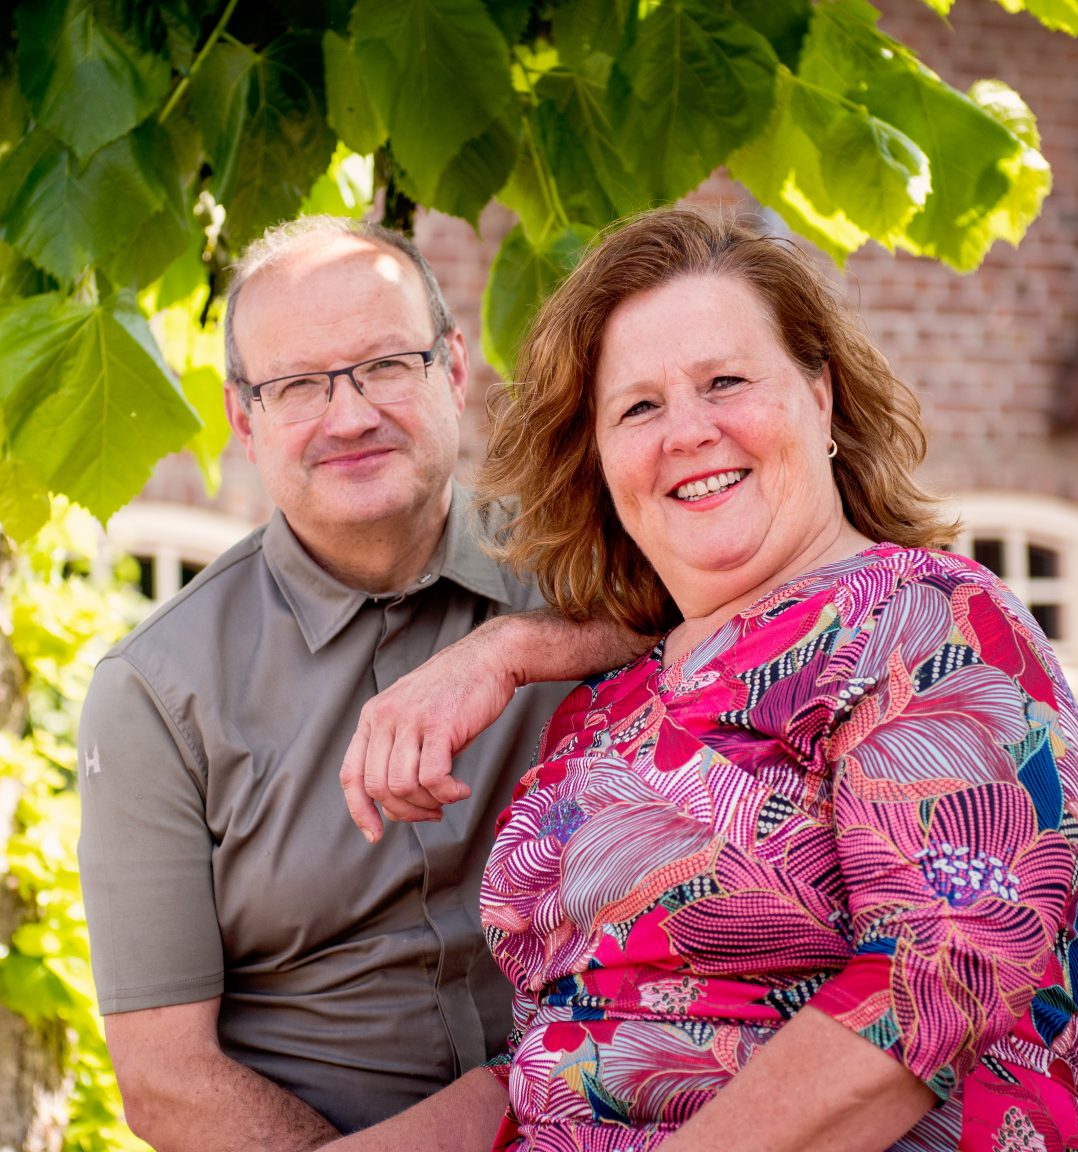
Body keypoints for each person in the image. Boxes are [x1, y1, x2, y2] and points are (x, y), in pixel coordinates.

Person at [336, 206, 1078, 1152]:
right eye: (639, 407)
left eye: (725, 382)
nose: (689, 432)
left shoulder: (927, 625)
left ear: (820, 398)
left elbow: (936, 981)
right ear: (603, 461)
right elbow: (567, 1053)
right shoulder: (605, 706)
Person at [75, 217, 645, 1150]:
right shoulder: (155, 695)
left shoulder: (587, 562)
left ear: (452, 371)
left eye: (386, 365)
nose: (349, 416)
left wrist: (510, 649)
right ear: (244, 419)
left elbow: (747, 605)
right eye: (298, 384)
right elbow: (167, 1082)